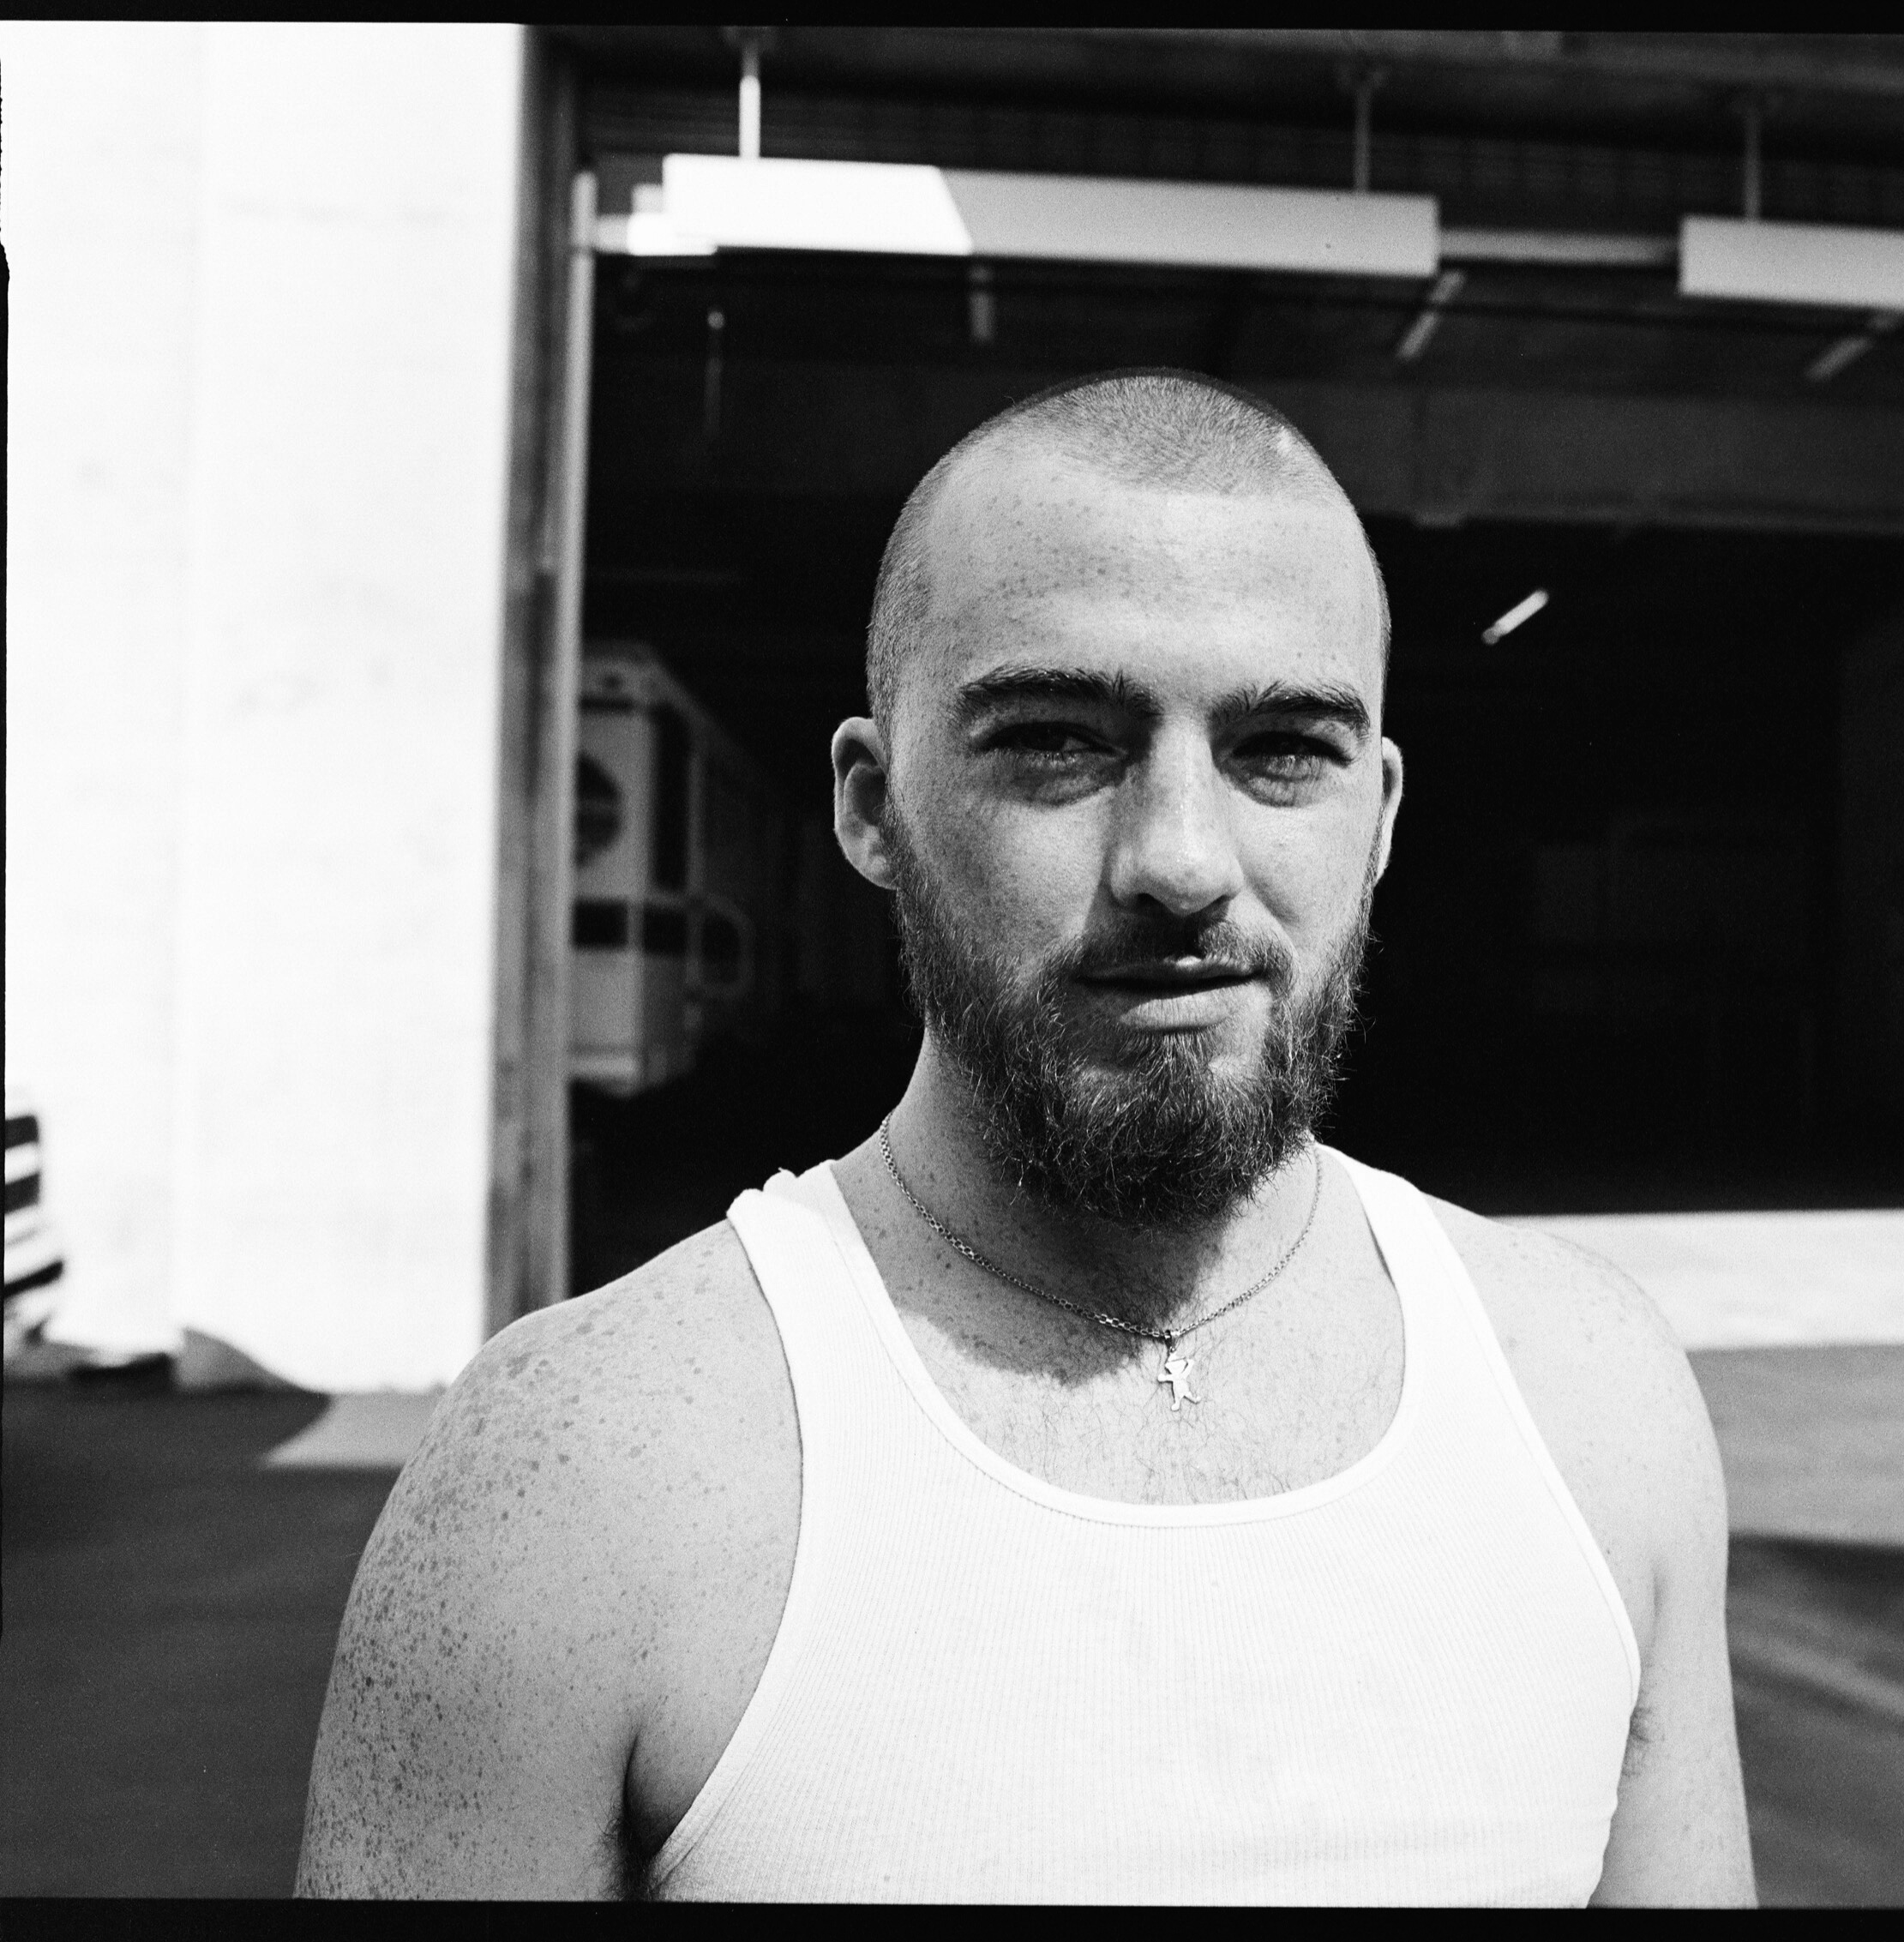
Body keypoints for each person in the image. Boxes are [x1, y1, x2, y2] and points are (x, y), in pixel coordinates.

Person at [297, 369, 1754, 1905]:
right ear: (873, 806)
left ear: (1380, 815)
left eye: (1282, 747)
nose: (1180, 860)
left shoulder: (1596, 1401)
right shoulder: (575, 1476)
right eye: (1059, 739)